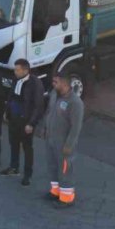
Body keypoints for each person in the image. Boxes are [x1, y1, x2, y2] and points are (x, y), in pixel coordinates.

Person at [0, 59, 44, 186]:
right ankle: (14, 167)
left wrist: (31, 123)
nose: (15, 72)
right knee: (13, 143)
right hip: (14, 118)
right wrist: (7, 111)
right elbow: (11, 96)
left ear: (26, 70)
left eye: (17, 69)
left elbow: (38, 105)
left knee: (27, 148)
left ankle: (28, 175)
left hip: (25, 120)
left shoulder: (35, 83)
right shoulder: (16, 79)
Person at [43, 73, 84, 208]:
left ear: (65, 84)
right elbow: (49, 113)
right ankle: (55, 192)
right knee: (52, 165)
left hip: (64, 142)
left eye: (56, 82)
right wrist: (45, 129)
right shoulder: (54, 95)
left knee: (65, 169)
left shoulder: (75, 103)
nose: (53, 84)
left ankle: (66, 198)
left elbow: (76, 126)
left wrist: (69, 144)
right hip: (51, 138)